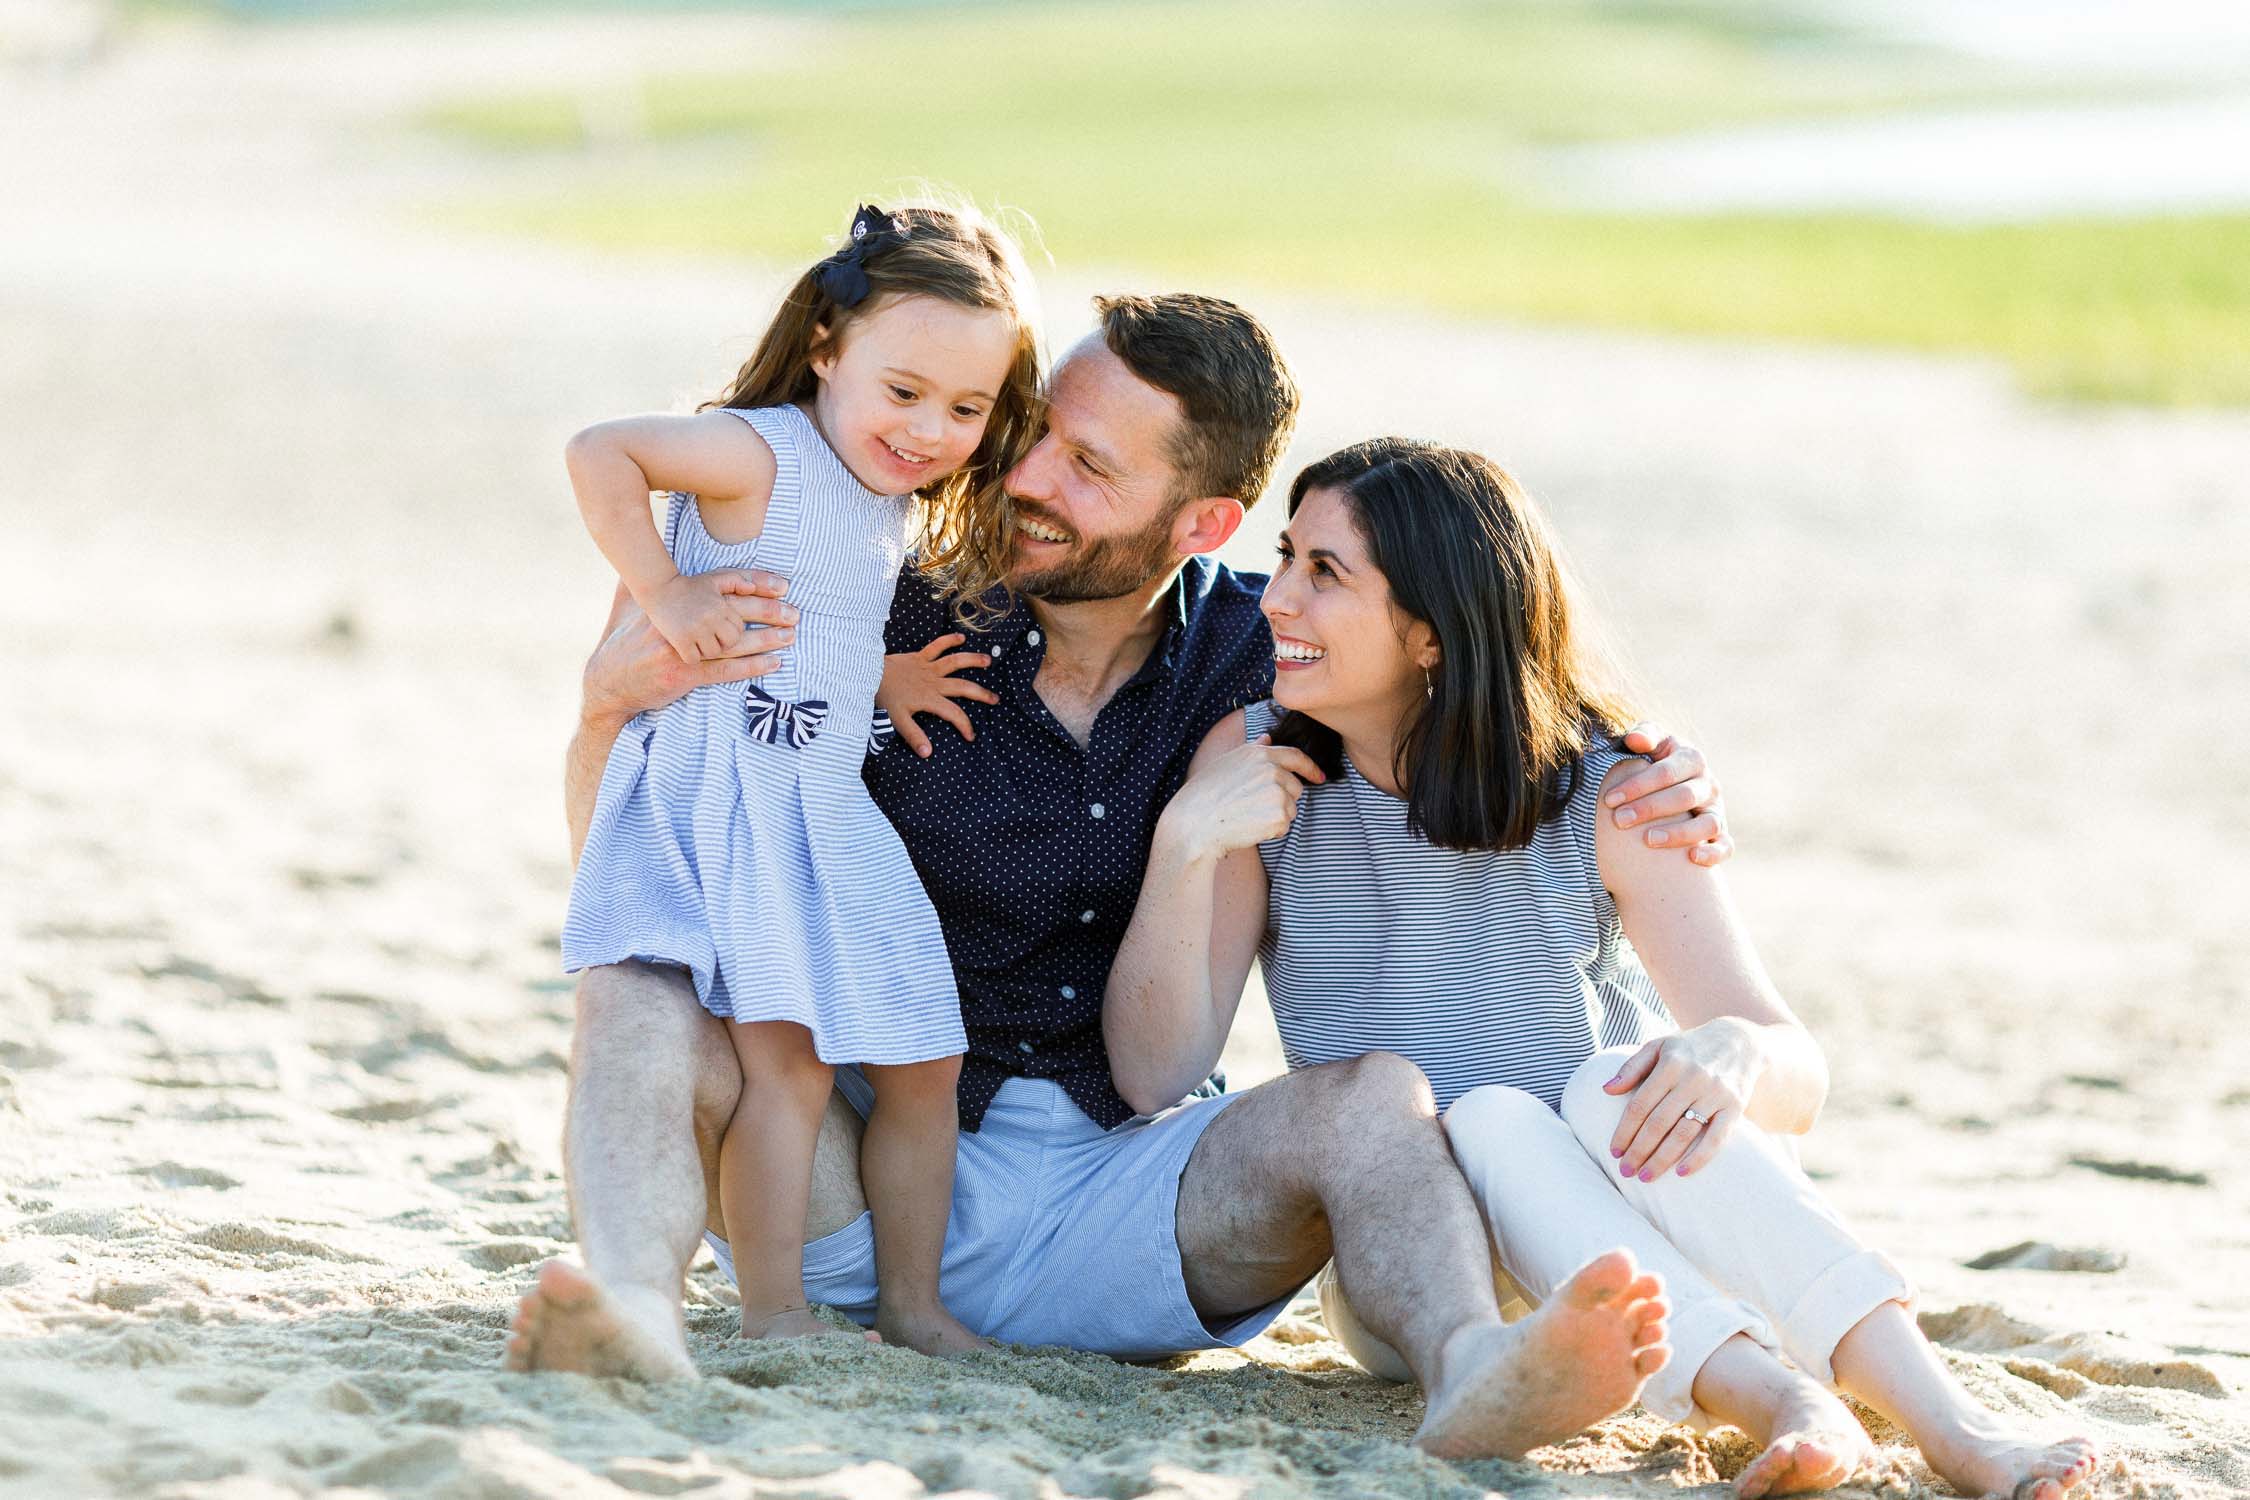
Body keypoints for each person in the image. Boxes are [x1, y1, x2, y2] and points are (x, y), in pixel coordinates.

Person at [511, 294, 1729, 1460]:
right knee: (638, 986)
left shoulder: (1278, 652)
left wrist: (1645, 769)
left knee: (1374, 1099)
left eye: (1092, 469)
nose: (1029, 480)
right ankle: (627, 1313)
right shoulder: (868, 599)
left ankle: (1474, 1365)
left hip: (1134, 1202)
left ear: (1203, 523)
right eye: (1036, 431)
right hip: (847, 1175)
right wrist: (598, 715)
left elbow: (1481, 684)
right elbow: (633, 865)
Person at [1109, 437, 2101, 1499]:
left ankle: (1953, 1426)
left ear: (1433, 634)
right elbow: (1156, 1076)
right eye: (1287, 556)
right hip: (1437, 1296)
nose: (1276, 601)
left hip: (1660, 1230)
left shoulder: (1609, 789)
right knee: (1485, 1119)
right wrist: (1184, 846)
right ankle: (1785, 1403)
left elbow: (1794, 1073)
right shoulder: (1260, 772)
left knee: (1602, 1084)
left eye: (1325, 573)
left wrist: (1731, 1055)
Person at [555, 201, 1040, 1356]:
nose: (929, 429)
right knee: (795, 1067)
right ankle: (775, 1317)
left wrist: (882, 678)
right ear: (826, 345)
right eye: (905, 390)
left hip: (821, 801)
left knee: (927, 1056)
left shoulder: (882, 499)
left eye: (967, 408)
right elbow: (597, 452)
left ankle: (916, 1308)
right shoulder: (756, 448)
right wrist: (666, 594)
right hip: (739, 799)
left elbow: (801, 612)